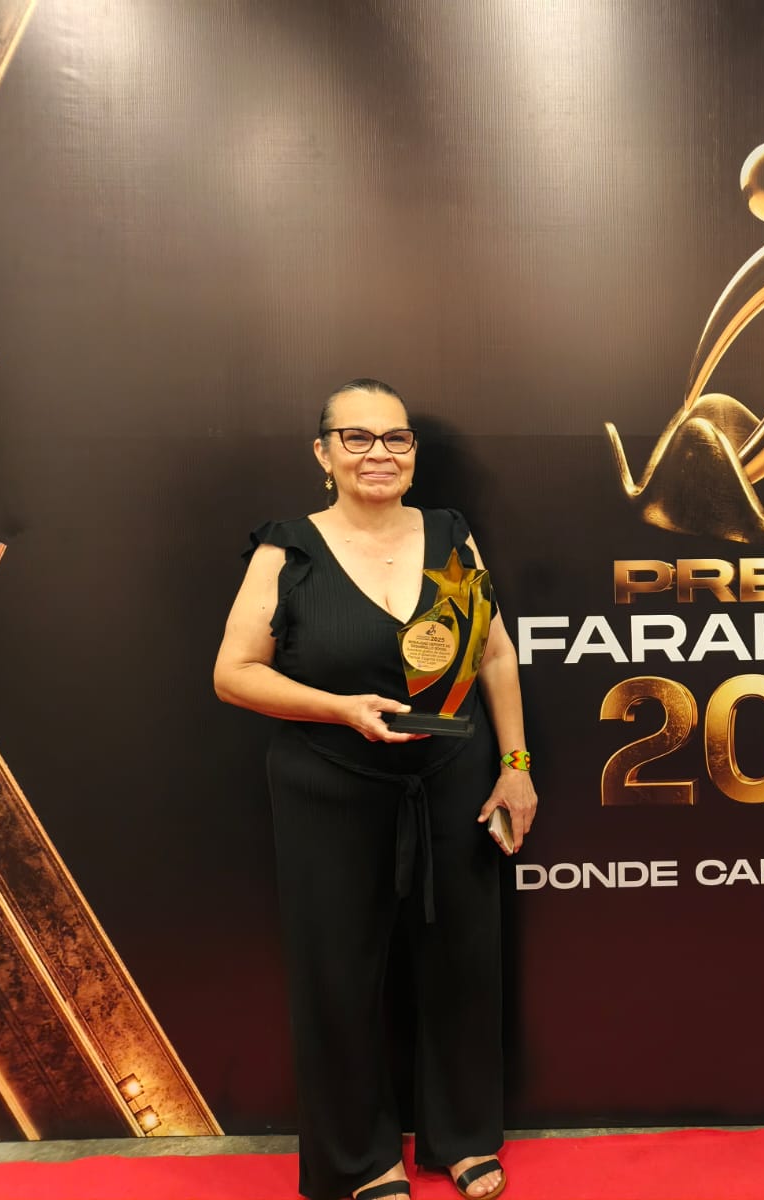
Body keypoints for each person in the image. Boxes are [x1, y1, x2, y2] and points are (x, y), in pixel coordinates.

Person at [213, 379, 537, 1200]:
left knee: (463, 963)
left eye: (395, 439)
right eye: (356, 438)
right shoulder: (287, 550)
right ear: (323, 454)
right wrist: (341, 709)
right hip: (329, 783)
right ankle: (360, 1159)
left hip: (453, 780)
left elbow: (495, 653)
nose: (378, 454)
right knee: (337, 974)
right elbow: (233, 673)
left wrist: (516, 765)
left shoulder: (452, 534)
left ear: (414, 454)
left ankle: (463, 1137)